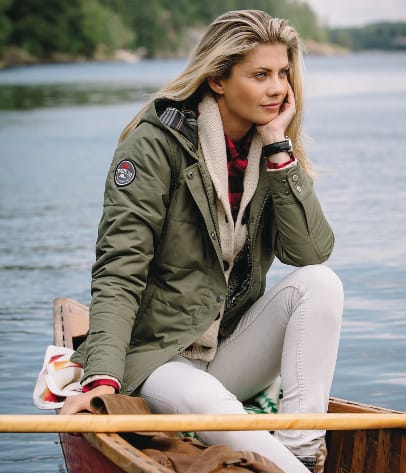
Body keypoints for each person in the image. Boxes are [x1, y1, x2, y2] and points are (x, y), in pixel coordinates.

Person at [60, 9, 344, 473]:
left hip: (225, 350)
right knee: (207, 400)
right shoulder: (153, 146)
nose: (278, 88)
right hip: (155, 358)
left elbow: (308, 252)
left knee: (321, 283)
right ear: (217, 80)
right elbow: (119, 272)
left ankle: (301, 452)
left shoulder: (270, 150)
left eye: (283, 73)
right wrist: (103, 379)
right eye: (260, 75)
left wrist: (279, 149)